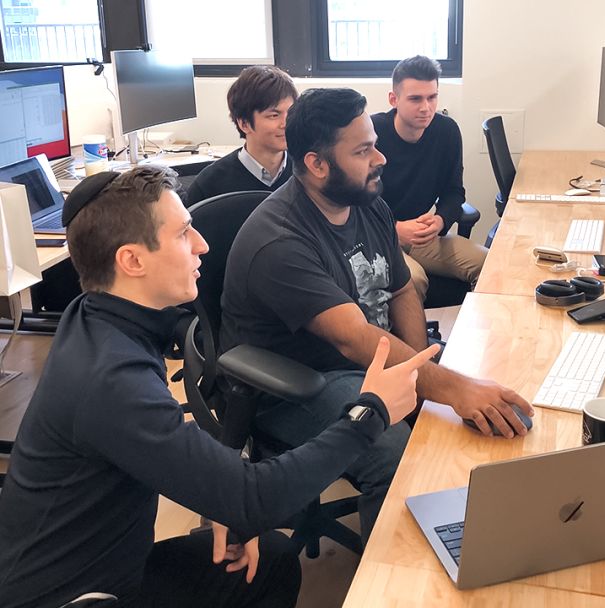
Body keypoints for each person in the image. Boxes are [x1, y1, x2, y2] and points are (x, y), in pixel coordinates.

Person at [0, 166, 437, 608]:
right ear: (132, 261)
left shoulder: (97, 315)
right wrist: (372, 412)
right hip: (72, 595)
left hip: (112, 562)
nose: (202, 245)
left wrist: (221, 492)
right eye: (183, 233)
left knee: (270, 561)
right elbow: (255, 498)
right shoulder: (110, 379)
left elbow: (201, 476)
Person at [220, 88, 534, 542]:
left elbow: (401, 286)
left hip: (361, 363)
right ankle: (390, 577)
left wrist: (424, 371)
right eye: (364, 150)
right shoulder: (281, 241)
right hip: (295, 382)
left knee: (458, 401)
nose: (381, 158)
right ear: (317, 164)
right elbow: (351, 339)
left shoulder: (367, 202)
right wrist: (448, 389)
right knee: (392, 449)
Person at [371, 56, 487, 300]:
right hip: (378, 237)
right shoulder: (372, 133)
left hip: (423, 235)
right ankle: (415, 340)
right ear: (394, 99)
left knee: (491, 265)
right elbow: (352, 203)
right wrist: (394, 229)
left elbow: (454, 191)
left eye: (432, 97)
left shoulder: (447, 131)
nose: (426, 107)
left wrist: (441, 220)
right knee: (415, 279)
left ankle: (477, 335)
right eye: (415, 99)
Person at [185, 65, 297, 206]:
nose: (286, 123)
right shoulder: (209, 185)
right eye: (274, 115)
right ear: (244, 124)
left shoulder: (308, 171)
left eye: (291, 112)